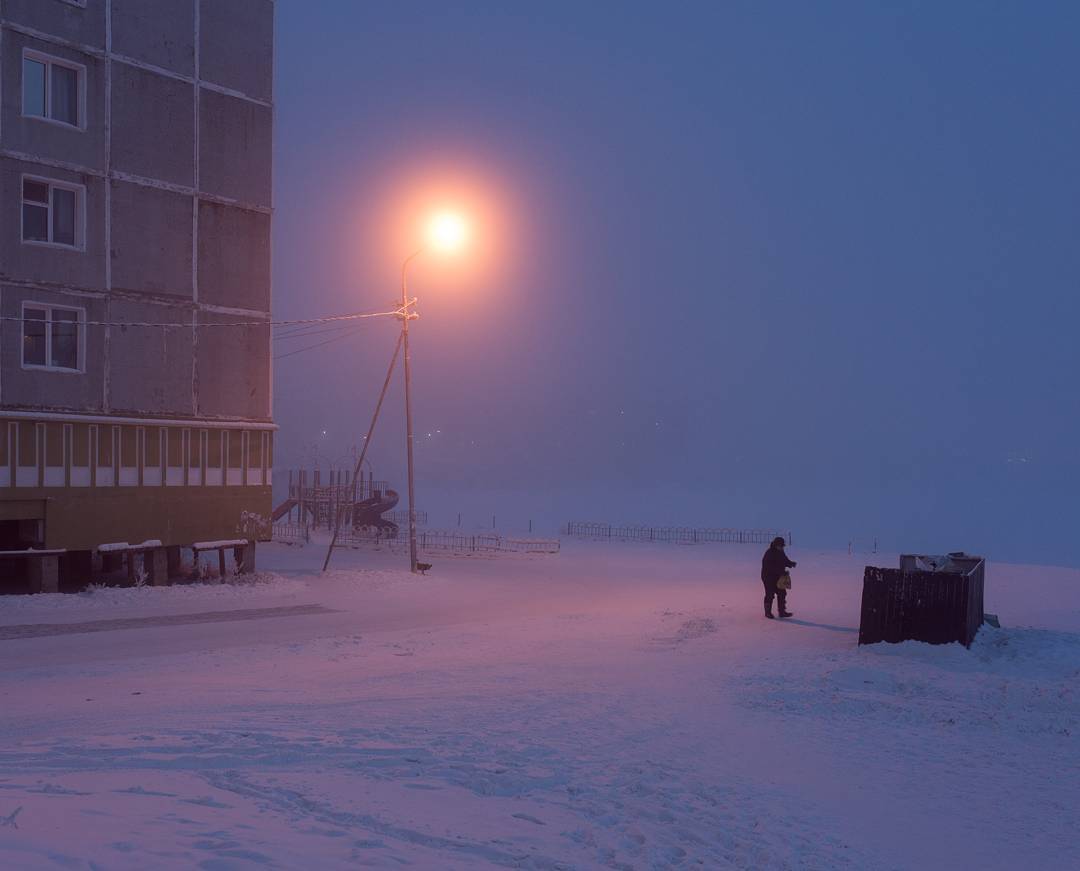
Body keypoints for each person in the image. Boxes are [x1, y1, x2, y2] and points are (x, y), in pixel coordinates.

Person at [761, 536, 795, 619]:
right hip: (768, 577)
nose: (782, 547)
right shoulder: (769, 553)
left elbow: (784, 560)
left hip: (778, 577)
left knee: (782, 593)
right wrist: (781, 572)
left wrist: (790, 563)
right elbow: (769, 567)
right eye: (780, 546)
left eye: (783, 546)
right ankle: (768, 612)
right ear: (776, 545)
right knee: (770, 594)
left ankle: (782, 612)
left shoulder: (781, 551)